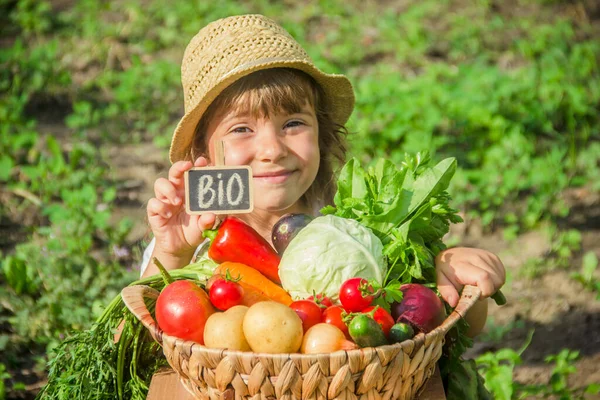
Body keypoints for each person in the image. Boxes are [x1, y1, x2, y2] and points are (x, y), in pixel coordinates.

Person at [140, 14, 505, 336]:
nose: (273, 150)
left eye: (294, 123)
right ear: (204, 154)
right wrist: (172, 255)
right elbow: (134, 346)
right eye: (241, 129)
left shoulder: (352, 226)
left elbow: (457, 330)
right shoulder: (195, 247)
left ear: (322, 132)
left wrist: (454, 272)